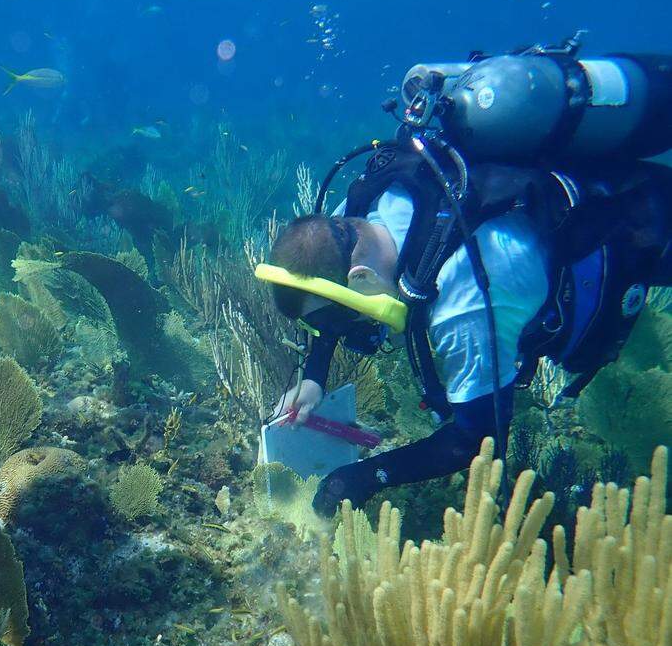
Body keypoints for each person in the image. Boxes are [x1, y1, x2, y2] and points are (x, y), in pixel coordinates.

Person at [258, 149, 672, 516]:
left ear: (362, 278)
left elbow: (476, 438)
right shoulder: (359, 211)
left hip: (641, 227)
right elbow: (323, 291)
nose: (337, 331)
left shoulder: (465, 302)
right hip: (599, 178)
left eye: (335, 323)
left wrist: (367, 476)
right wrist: (313, 378)